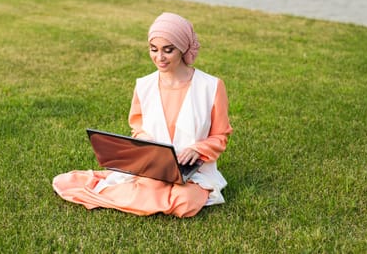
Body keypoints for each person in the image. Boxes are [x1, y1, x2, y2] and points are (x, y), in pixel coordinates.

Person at [52, 12, 233, 217]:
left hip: (193, 171)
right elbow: (138, 129)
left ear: (182, 49)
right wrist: (145, 143)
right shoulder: (144, 85)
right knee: (163, 194)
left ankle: (143, 197)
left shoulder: (211, 86)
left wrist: (197, 149)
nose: (159, 58)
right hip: (154, 167)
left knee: (186, 204)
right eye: (153, 49)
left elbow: (221, 136)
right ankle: (150, 194)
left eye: (168, 50)